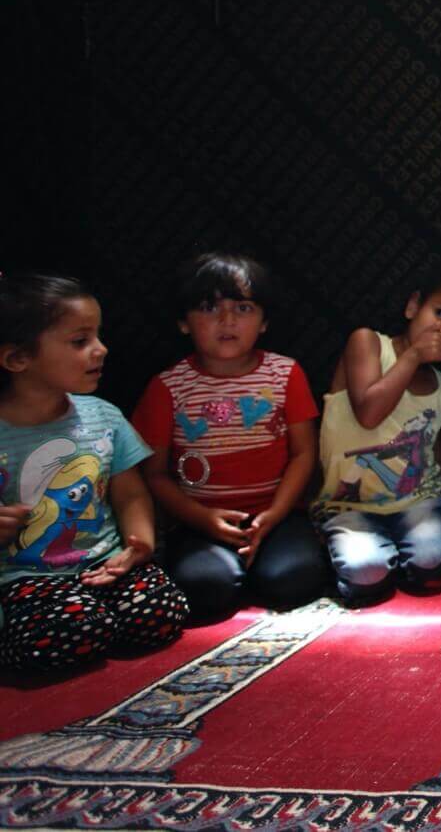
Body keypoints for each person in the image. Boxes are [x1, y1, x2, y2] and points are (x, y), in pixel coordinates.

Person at [0, 273, 187, 672]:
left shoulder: (103, 416)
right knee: (74, 627)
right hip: (25, 578)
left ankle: (93, 622)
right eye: (79, 341)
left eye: (98, 336)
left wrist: (138, 544)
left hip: (101, 565)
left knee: (160, 611)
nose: (100, 350)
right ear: (18, 358)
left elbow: (129, 492)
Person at [132, 254, 328, 619]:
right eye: (209, 308)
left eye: (243, 307)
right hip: (200, 522)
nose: (227, 320)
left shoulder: (284, 374)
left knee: (293, 579)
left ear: (264, 321)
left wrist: (274, 513)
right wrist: (203, 519)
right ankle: (229, 569)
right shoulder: (168, 387)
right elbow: (155, 473)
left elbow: (304, 454)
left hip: (276, 515)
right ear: (183, 322)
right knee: (205, 588)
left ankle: (258, 560)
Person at [313, 272, 441, 602]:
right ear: (413, 306)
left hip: (415, 505)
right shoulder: (367, 343)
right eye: (440, 313)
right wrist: (413, 356)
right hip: (349, 505)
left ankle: (407, 556)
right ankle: (372, 555)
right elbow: (369, 413)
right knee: (366, 570)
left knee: (434, 563)